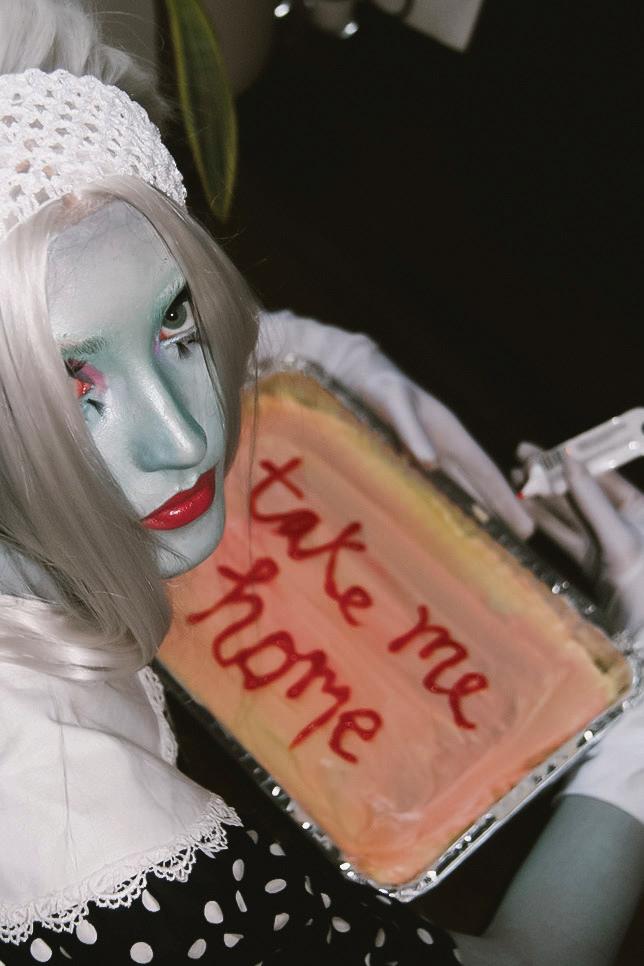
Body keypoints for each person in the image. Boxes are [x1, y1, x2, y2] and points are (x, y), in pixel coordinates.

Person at [0, 2, 641, 964]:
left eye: (177, 321)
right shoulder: (106, 850)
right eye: (72, 389)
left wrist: (275, 346)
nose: (184, 440)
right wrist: (633, 743)